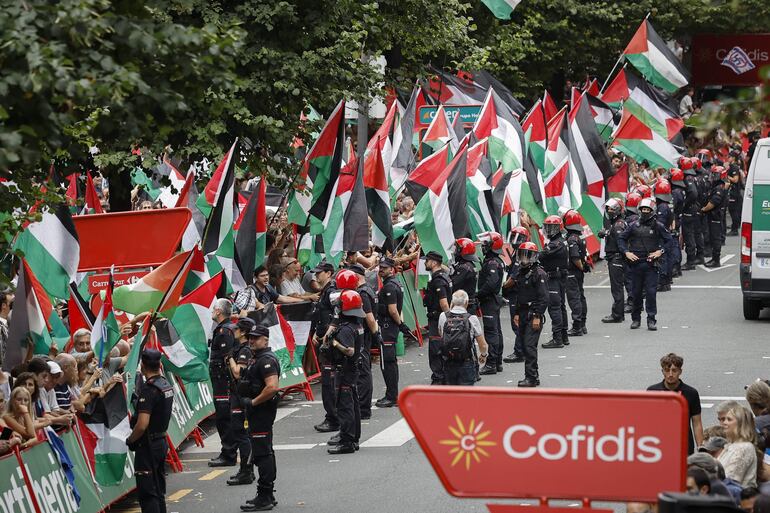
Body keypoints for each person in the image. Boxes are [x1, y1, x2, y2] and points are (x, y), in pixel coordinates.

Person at [126, 349, 174, 513]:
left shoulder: (149, 389)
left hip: (148, 445)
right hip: (161, 441)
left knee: (148, 492)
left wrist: (131, 440)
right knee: (158, 489)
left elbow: (142, 424)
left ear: (142, 365)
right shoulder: (165, 385)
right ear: (159, 365)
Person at [239, 324, 280, 511]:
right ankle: (267, 494)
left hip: (262, 411)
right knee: (263, 451)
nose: (251, 341)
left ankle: (264, 496)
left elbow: (272, 387)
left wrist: (254, 402)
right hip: (257, 412)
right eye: (250, 337)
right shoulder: (256, 358)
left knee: (263, 454)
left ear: (266, 339)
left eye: (256, 338)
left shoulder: (266, 360)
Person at [618, 197, 673, 331]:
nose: (645, 212)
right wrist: (626, 252)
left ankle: (651, 319)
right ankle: (636, 319)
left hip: (651, 265)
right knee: (636, 293)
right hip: (635, 265)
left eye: (647, 210)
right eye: (643, 209)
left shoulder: (658, 226)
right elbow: (621, 238)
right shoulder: (633, 226)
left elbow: (669, 240)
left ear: (652, 211)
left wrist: (660, 251)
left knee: (651, 293)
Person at [326, 290, 364, 455]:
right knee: (353, 405)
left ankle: (347, 441)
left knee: (345, 406)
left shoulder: (346, 329)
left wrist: (334, 343)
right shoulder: (357, 325)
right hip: (352, 369)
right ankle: (353, 438)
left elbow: (349, 351)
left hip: (345, 370)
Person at [509, 242, 549, 387]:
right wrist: (517, 313)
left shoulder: (539, 273)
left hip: (533, 313)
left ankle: (531, 377)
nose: (523, 259)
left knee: (529, 345)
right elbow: (519, 294)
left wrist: (537, 315)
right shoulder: (521, 272)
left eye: (527, 256)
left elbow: (544, 298)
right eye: (521, 255)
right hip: (523, 312)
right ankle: (534, 375)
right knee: (525, 345)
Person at [647, 353, 703, 454]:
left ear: (680, 371)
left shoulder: (691, 393)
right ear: (662, 371)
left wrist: (700, 447)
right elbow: (647, 420)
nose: (670, 374)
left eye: (674, 370)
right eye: (667, 370)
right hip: (658, 444)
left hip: (684, 445)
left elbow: (697, 423)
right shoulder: (652, 391)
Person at [226, 317, 257, 485]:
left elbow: (238, 373)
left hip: (241, 397)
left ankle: (246, 471)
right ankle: (245, 469)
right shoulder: (242, 348)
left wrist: (230, 358)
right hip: (238, 395)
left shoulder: (244, 351)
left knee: (241, 433)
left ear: (243, 332)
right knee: (240, 433)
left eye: (237, 329)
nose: (234, 331)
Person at [208, 298, 238, 467]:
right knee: (225, 417)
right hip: (222, 380)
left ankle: (228, 453)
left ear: (219, 311)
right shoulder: (228, 328)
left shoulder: (224, 331)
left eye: (214, 309)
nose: (212, 311)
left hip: (223, 381)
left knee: (223, 417)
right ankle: (229, 451)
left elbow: (228, 357)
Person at [311, 262, 340, 433]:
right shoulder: (325, 291)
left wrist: (327, 337)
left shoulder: (332, 292)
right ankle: (332, 416)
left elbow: (336, 316)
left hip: (330, 343)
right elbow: (323, 316)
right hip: (324, 339)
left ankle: (333, 418)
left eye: (319, 273)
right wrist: (317, 332)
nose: (316, 276)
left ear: (328, 273)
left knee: (329, 382)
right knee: (327, 381)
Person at [437, 290, 488, 386]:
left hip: (448, 361)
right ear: (466, 302)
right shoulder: (472, 318)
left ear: (452, 301)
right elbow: (483, 344)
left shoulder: (443, 316)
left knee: (451, 391)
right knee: (466, 392)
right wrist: (483, 355)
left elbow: (441, 335)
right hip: (466, 361)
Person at [376, 257, 405, 408]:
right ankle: (392, 395)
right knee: (390, 362)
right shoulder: (394, 283)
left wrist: (400, 324)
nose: (381, 269)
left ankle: (391, 396)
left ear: (391, 269)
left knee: (387, 363)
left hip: (387, 327)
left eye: (385, 267)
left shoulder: (389, 286)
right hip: (390, 326)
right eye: (380, 267)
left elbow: (393, 310)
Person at [350, 264, 378, 419]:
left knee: (362, 372)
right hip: (365, 335)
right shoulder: (368, 289)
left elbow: (370, 318)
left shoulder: (363, 293)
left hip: (363, 336)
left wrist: (375, 335)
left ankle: (363, 408)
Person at [540, 215, 569, 349]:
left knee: (555, 307)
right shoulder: (560, 241)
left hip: (554, 278)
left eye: (552, 227)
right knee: (560, 306)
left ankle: (558, 338)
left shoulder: (555, 244)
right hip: (559, 276)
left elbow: (541, 255)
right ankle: (563, 336)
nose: (549, 230)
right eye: (548, 227)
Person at [477, 232, 505, 375]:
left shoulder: (493, 263)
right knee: (496, 330)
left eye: (486, 244)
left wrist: (479, 294)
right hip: (492, 299)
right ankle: (497, 362)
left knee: (491, 332)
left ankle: (492, 363)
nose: (483, 247)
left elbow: (492, 283)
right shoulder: (494, 260)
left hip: (489, 300)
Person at [502, 226, 531, 363]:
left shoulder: (520, 255)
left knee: (517, 323)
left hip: (517, 293)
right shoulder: (518, 252)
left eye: (517, 237)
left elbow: (513, 278)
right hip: (519, 292)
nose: (514, 240)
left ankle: (519, 351)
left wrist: (503, 287)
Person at [423, 251, 451, 385]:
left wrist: (448, 320)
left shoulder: (438, 280)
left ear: (434, 263)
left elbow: (444, 303)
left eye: (427, 260)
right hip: (439, 318)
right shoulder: (443, 277)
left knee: (436, 349)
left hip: (438, 319)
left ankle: (439, 378)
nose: (425, 263)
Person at [599, 198, 627, 323]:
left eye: (611, 209)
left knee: (617, 288)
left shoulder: (618, 225)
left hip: (616, 258)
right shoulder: (616, 224)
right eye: (608, 209)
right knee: (617, 287)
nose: (609, 211)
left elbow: (621, 242)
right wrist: (606, 233)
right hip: (615, 258)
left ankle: (617, 315)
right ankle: (619, 313)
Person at [718, 405, 758, 488]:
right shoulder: (731, 444)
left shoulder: (744, 448)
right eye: (724, 419)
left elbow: (731, 479)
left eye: (729, 419)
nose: (724, 423)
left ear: (741, 424)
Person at [563, 211, 588, 337]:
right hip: (578, 272)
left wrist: (581, 267)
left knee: (574, 298)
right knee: (580, 297)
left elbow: (575, 258)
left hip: (572, 272)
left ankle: (577, 326)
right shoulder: (580, 237)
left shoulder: (571, 239)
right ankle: (582, 324)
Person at [701, 166, 728, 268]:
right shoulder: (718, 186)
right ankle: (714, 258)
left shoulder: (719, 188)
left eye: (715, 174)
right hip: (714, 216)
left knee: (716, 238)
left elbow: (713, 202)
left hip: (715, 216)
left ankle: (716, 260)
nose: (713, 176)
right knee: (713, 238)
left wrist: (704, 209)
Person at [654, 179, 677, 291]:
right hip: (667, 234)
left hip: (662, 236)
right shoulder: (668, 204)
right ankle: (666, 282)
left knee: (662, 259)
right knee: (667, 257)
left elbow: (660, 224)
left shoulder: (662, 207)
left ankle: (662, 283)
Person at [726, 164, 744, 236]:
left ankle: (735, 230)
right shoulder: (733, 167)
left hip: (734, 193)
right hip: (735, 192)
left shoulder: (734, 167)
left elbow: (735, 180)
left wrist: (727, 176)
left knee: (733, 211)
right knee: (735, 211)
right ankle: (735, 225)